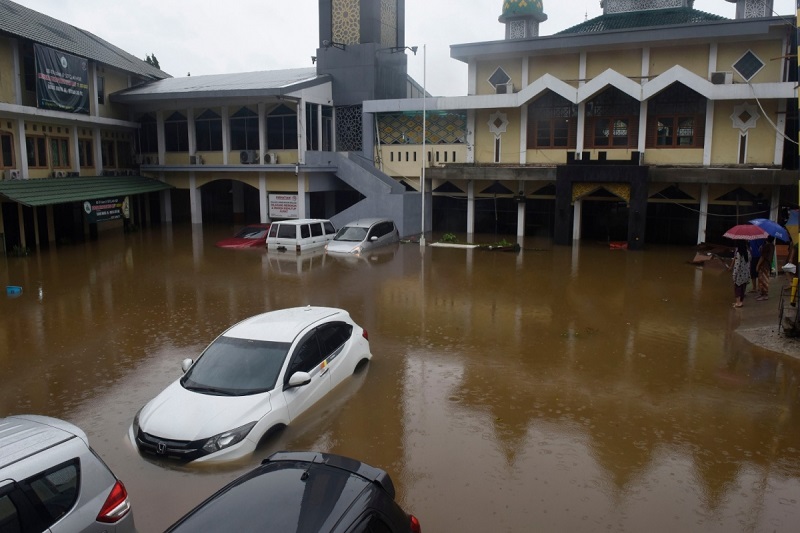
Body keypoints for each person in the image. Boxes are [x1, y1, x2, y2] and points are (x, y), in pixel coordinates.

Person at [731, 240, 751, 308]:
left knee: (737, 288)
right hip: (745, 274)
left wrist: (734, 275)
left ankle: (738, 303)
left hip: (739, 274)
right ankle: (740, 301)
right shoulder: (748, 252)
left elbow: (737, 266)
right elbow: (749, 261)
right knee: (743, 288)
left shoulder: (738, 254)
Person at [755, 236, 775, 301]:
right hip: (768, 265)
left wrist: (757, 265)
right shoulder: (772, 246)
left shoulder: (766, 246)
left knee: (763, 280)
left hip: (764, 265)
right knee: (764, 279)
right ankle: (762, 293)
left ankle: (765, 294)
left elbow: (762, 257)